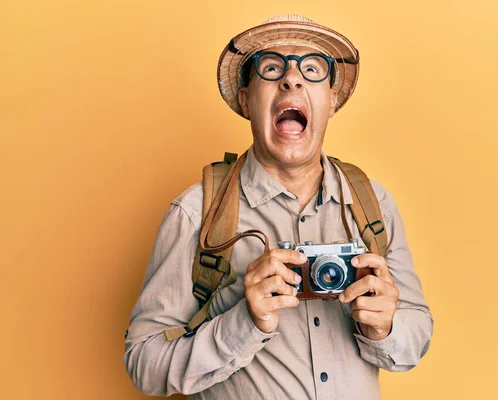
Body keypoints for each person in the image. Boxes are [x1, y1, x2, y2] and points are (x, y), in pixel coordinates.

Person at [124, 14, 433, 400]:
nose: (292, 79)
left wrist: (384, 328)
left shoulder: (373, 204)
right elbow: (144, 365)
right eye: (271, 68)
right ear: (245, 100)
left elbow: (417, 330)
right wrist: (246, 319)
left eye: (313, 69)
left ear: (331, 101)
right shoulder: (197, 212)